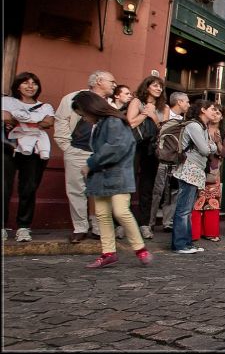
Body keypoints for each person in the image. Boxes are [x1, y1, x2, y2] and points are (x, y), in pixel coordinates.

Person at [71, 91, 152, 268]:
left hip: (118, 175)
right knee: (102, 214)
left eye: (83, 114)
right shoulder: (103, 123)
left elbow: (115, 147)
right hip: (103, 175)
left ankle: (140, 248)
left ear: (91, 109)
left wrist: (90, 163)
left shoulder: (113, 122)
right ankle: (108, 252)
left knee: (120, 211)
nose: (84, 118)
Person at [54, 70, 117, 243]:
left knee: (101, 191)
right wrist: (66, 147)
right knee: (76, 190)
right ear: (98, 81)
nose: (114, 85)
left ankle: (98, 228)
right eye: (112, 81)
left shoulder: (112, 104)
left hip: (101, 154)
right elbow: (61, 121)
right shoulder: (73, 98)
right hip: (77, 151)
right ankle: (80, 227)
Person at [3, 72, 55, 242]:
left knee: (29, 188)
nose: (31, 86)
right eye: (26, 83)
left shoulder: (45, 106)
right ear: (18, 86)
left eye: (34, 83)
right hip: (9, 147)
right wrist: (34, 124)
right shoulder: (7, 101)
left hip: (34, 151)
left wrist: (19, 123)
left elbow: (48, 122)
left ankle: (24, 227)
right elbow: (5, 117)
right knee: (4, 187)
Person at [170, 100, 218, 254]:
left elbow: (212, 147)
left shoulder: (202, 127)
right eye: (212, 109)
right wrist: (210, 145)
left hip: (195, 169)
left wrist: (210, 145)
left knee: (188, 209)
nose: (214, 112)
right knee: (184, 209)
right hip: (188, 169)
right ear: (202, 110)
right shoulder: (194, 126)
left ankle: (187, 242)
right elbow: (206, 149)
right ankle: (180, 244)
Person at [127, 76, 170, 239]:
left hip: (152, 148)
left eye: (160, 87)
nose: (158, 89)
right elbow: (130, 123)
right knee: (129, 184)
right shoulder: (137, 102)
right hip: (135, 146)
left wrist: (153, 116)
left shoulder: (164, 107)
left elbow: (164, 130)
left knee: (147, 187)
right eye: (155, 85)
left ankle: (144, 224)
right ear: (147, 86)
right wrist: (145, 113)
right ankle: (122, 224)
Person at [151, 92, 190, 233]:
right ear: (179, 102)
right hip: (161, 159)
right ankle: (150, 223)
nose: (188, 104)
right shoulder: (163, 114)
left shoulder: (183, 120)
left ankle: (168, 222)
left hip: (175, 160)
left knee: (172, 192)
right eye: (186, 101)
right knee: (157, 192)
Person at [192, 103, 225, 243]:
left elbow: (224, 153)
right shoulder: (200, 128)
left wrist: (218, 142)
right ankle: (195, 232)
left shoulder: (222, 133)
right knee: (197, 201)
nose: (215, 114)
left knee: (212, 202)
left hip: (214, 170)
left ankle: (210, 232)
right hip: (198, 168)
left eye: (219, 112)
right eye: (214, 111)